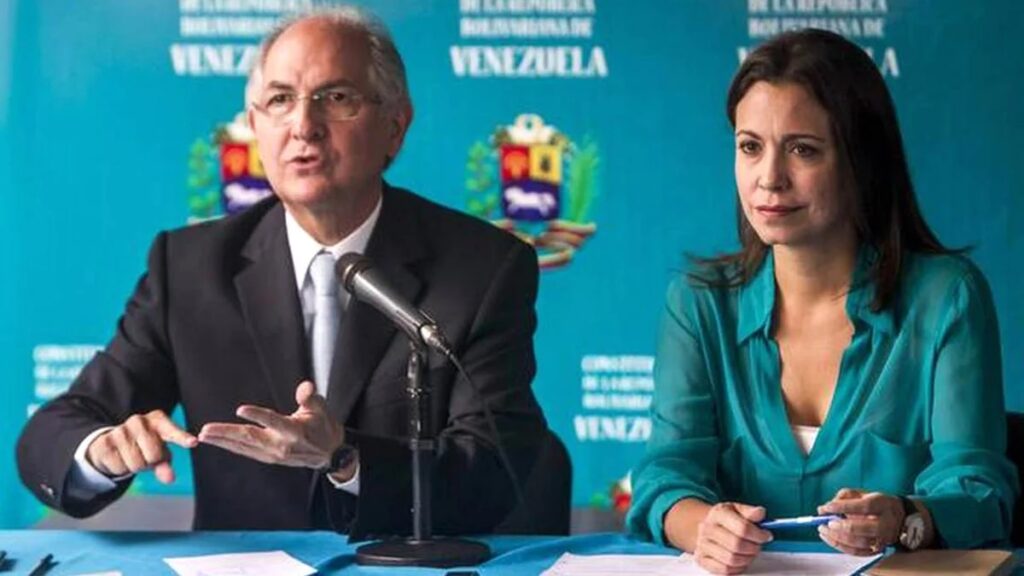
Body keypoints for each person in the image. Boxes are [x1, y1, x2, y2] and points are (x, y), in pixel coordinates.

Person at [17, 6, 547, 538]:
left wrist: (345, 458)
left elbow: (495, 472)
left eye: (336, 98)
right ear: (255, 126)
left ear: (396, 126)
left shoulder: (483, 267)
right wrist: (101, 452)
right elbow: (52, 434)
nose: (303, 126)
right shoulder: (189, 268)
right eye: (279, 100)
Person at [626, 28, 1017, 574]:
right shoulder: (697, 304)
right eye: (750, 147)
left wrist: (907, 517)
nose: (769, 179)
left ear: (862, 161)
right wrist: (704, 527)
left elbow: (978, 490)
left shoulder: (947, 296)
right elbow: (666, 478)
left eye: (803, 150)